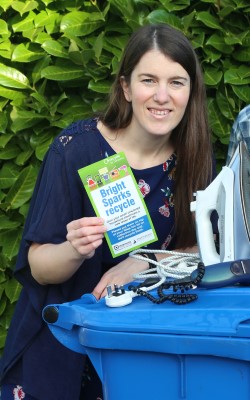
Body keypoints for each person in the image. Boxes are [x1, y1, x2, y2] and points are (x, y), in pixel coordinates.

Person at [0, 23, 215, 400]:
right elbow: (37, 266)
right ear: (126, 87)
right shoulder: (75, 149)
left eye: (177, 82)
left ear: (191, 92)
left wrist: (148, 260)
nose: (162, 96)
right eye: (148, 80)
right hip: (60, 353)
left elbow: (210, 253)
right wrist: (73, 250)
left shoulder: (194, 158)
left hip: (141, 356)